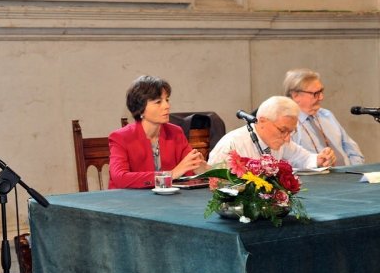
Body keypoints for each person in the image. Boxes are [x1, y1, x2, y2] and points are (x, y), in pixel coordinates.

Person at [108, 75, 208, 189]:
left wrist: (202, 170)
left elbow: (190, 169)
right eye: (158, 102)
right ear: (140, 108)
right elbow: (120, 178)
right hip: (129, 203)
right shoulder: (120, 137)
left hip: (166, 201)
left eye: (167, 100)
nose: (167, 106)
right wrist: (169, 175)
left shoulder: (175, 132)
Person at [208, 96, 336, 171]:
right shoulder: (232, 145)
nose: (287, 138)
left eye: (291, 132)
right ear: (262, 121)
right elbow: (214, 182)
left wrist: (319, 160)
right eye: (282, 130)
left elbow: (303, 158)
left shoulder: (281, 141)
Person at [284, 68, 364, 166]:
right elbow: (289, 162)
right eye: (315, 94)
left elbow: (352, 149)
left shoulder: (327, 115)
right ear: (296, 95)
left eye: (321, 91)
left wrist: (355, 171)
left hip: (350, 176)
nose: (321, 97)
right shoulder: (287, 124)